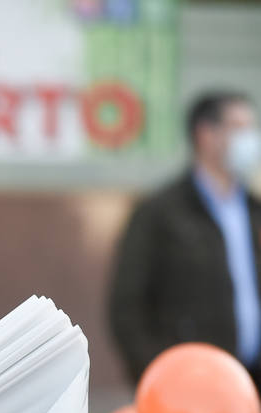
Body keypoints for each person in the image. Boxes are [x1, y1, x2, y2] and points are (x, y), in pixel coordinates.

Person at [109, 90, 261, 389]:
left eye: (252, 128)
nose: (250, 139)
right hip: (193, 384)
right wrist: (158, 375)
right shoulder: (160, 213)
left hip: (253, 382)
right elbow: (127, 306)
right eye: (239, 127)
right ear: (206, 135)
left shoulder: (253, 210)